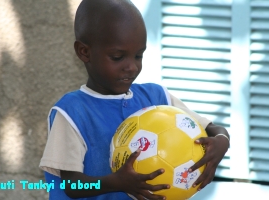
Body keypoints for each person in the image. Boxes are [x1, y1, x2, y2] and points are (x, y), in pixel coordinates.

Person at [39, 0, 230, 199]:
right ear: (84, 52)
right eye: (117, 57)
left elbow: (213, 129)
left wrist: (222, 141)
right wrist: (117, 182)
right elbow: (71, 185)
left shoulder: (158, 98)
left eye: (138, 56)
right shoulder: (71, 113)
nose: (131, 67)